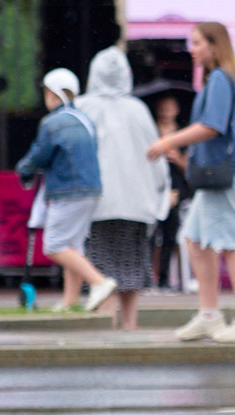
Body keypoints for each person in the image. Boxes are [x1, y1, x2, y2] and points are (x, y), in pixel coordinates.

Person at [147, 23, 235, 344]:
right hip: (228, 173)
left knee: (232, 244)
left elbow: (211, 127)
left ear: (215, 45)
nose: (192, 48)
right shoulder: (230, 79)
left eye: (197, 42)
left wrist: (166, 141)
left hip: (225, 174)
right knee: (196, 240)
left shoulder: (220, 80)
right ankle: (210, 315)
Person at [77, 48, 169, 330]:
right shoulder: (137, 110)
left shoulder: (83, 108)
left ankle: (106, 325)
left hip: (96, 202)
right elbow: (155, 155)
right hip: (136, 201)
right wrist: (161, 191)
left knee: (101, 265)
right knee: (132, 263)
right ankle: (130, 324)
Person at [17, 69, 118, 315]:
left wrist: (23, 170)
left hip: (67, 191)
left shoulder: (53, 123)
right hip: (91, 190)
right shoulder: (85, 120)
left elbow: (38, 156)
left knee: (54, 245)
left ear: (53, 94)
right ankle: (69, 301)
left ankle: (99, 282)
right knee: (73, 247)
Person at [149, 94, 192, 290]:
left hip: (176, 189)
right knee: (150, 234)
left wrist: (177, 158)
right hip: (153, 188)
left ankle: (164, 278)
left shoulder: (184, 135)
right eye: (163, 106)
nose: (166, 110)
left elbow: (188, 168)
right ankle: (147, 277)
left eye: (170, 106)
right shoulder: (150, 131)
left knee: (170, 235)